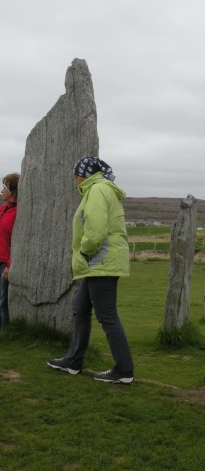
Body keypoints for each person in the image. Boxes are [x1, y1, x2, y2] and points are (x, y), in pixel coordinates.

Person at [47, 156, 134, 383]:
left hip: (99, 261)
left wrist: (85, 253)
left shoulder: (96, 190)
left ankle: (124, 370)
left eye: (76, 175)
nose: (74, 180)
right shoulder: (101, 189)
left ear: (84, 174)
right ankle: (74, 361)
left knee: (107, 316)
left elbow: (95, 230)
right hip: (98, 263)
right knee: (79, 307)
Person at [0, 173, 20, 331]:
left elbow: (16, 241)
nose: (2, 191)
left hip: (5, 262)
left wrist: (9, 265)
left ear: (13, 192)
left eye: (5, 187)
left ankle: (5, 332)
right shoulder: (3, 209)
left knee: (3, 299)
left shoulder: (18, 213)